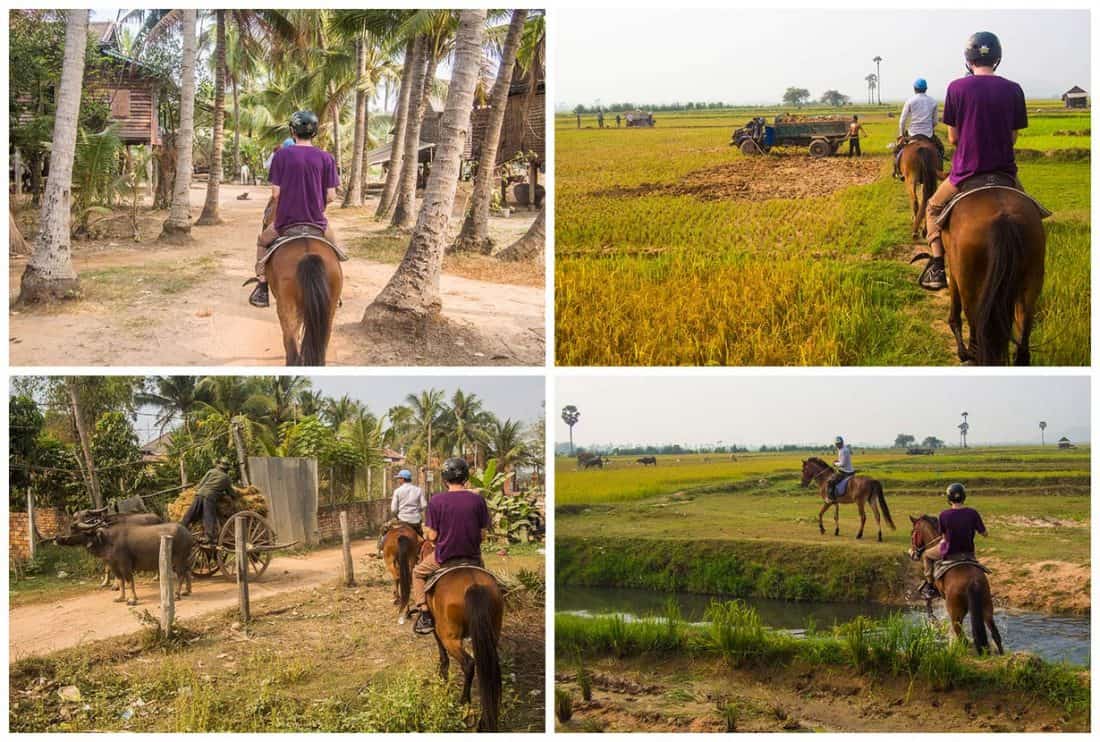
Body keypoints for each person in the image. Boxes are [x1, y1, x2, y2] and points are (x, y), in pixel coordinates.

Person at [919, 31, 1028, 291]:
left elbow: (954, 138)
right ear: (998, 59)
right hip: (1006, 173)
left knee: (933, 208)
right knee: (1030, 213)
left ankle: (936, 266)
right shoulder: (1014, 89)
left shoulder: (956, 88)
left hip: (965, 174)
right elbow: (1013, 138)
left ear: (968, 60)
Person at [248, 111, 339, 308]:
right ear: (314, 132)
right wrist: (316, 205)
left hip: (285, 223)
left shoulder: (281, 155)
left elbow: (275, 193)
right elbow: (331, 196)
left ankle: (262, 286)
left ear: (292, 131)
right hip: (317, 224)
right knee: (335, 251)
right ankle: (334, 292)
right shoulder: (326, 158)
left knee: (263, 241)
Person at [411, 457, 491, 635]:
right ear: (466, 477)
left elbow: (432, 536)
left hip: (444, 558)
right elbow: (482, 535)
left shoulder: (437, 501)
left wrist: (430, 536)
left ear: (445, 479)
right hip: (473, 558)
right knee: (489, 580)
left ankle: (424, 613)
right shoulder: (478, 500)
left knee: (417, 572)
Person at [919, 483, 988, 599]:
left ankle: (930, 586)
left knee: (926, 555)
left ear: (949, 498)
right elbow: (984, 534)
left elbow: (944, 537)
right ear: (964, 497)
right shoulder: (973, 513)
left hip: (950, 552)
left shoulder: (944, 515)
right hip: (969, 554)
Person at [894, 77, 944, 179]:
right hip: (928, 134)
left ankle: (898, 172)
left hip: (913, 134)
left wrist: (901, 135)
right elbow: (935, 122)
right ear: (926, 89)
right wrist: (929, 127)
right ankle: (939, 170)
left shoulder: (910, 101)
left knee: (897, 150)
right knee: (940, 149)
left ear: (914, 89)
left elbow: (902, 121)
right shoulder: (933, 101)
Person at [180, 458, 234, 544]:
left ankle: (180, 529)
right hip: (210, 497)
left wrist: (196, 489)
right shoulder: (226, 478)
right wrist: (233, 496)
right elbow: (231, 492)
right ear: (227, 469)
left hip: (199, 494)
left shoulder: (211, 471)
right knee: (208, 516)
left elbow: (201, 484)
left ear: (219, 466)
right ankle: (209, 537)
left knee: (191, 513)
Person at [375, 469, 426, 554]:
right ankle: (420, 551)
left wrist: (397, 514)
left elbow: (393, 509)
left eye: (399, 478)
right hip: (415, 521)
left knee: (384, 528)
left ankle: (381, 548)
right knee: (420, 535)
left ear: (403, 479)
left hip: (402, 520)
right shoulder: (418, 490)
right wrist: (417, 510)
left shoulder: (398, 491)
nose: (398, 480)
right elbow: (424, 505)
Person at [827, 436, 854, 502]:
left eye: (838, 444)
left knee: (830, 481)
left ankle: (831, 498)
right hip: (848, 470)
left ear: (842, 443)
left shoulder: (843, 451)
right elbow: (842, 461)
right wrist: (837, 461)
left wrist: (835, 464)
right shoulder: (843, 449)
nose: (837, 445)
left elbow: (842, 464)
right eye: (836, 444)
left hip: (845, 471)